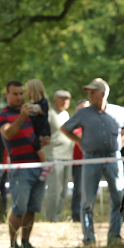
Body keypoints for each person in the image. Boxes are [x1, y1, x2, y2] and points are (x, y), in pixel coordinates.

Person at [60, 78, 124, 247]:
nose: (89, 95)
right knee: (88, 200)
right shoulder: (83, 113)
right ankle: (88, 238)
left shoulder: (118, 111)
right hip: (91, 158)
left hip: (113, 157)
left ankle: (114, 235)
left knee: (118, 197)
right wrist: (79, 142)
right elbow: (65, 128)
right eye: (89, 92)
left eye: (93, 92)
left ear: (103, 93)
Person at [0, 80, 51, 248]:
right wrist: (21, 117)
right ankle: (13, 246)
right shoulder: (2, 115)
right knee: (18, 208)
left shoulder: (31, 111)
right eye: (15, 94)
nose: (19, 97)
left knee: (32, 208)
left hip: (38, 164)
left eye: (21, 93)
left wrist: (45, 139)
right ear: (7, 94)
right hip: (19, 167)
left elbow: (39, 131)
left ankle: (26, 243)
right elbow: (9, 134)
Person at [42, 90, 74, 221]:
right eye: (62, 98)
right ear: (55, 100)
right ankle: (50, 219)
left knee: (63, 191)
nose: (65, 101)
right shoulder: (49, 114)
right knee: (54, 191)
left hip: (68, 157)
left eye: (67, 99)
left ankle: (57, 217)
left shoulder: (67, 114)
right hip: (54, 156)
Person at [24, 79, 52, 180]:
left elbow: (40, 110)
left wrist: (28, 106)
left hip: (43, 130)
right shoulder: (35, 104)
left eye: (27, 90)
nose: (26, 93)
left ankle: (46, 164)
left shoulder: (43, 102)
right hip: (37, 131)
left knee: (36, 144)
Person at [69, 100, 89, 222]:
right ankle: (76, 214)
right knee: (78, 189)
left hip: (89, 162)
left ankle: (85, 213)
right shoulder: (75, 127)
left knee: (86, 190)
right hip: (78, 163)